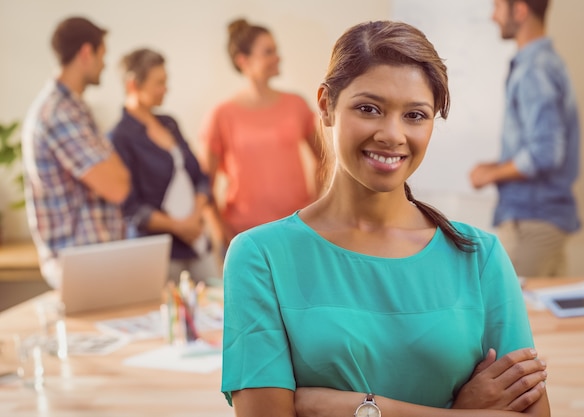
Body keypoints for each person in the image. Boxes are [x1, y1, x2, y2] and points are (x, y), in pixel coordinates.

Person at [221, 20, 550, 417]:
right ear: (326, 106)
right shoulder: (260, 257)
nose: (392, 134)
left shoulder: (479, 256)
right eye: (369, 109)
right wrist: (463, 413)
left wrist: (358, 409)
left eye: (415, 115)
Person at [470, 0, 581, 277]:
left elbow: (545, 153)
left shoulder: (535, 69)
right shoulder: (543, 63)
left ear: (519, 10)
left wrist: (491, 174)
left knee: (513, 316)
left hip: (532, 221)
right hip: (540, 219)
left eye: (497, 7)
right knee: (541, 316)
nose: (493, 16)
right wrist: (495, 166)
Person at [22, 16, 130, 289]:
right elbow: (118, 186)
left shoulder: (75, 110)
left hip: (94, 260)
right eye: (102, 55)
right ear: (86, 52)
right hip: (81, 264)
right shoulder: (59, 114)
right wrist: (114, 165)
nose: (104, 64)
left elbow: (117, 178)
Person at [199, 18, 323, 252]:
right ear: (243, 61)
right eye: (268, 52)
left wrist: (315, 205)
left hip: (295, 228)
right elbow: (205, 183)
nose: (278, 57)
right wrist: (218, 230)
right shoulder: (221, 115)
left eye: (276, 50)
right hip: (244, 234)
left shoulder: (296, 105)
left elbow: (323, 157)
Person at [109, 48, 219, 283]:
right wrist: (179, 226)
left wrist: (196, 216)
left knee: (218, 307)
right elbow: (130, 207)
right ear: (133, 84)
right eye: (159, 83)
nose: (165, 89)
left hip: (198, 243)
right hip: (157, 253)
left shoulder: (169, 123)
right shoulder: (119, 138)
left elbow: (199, 176)